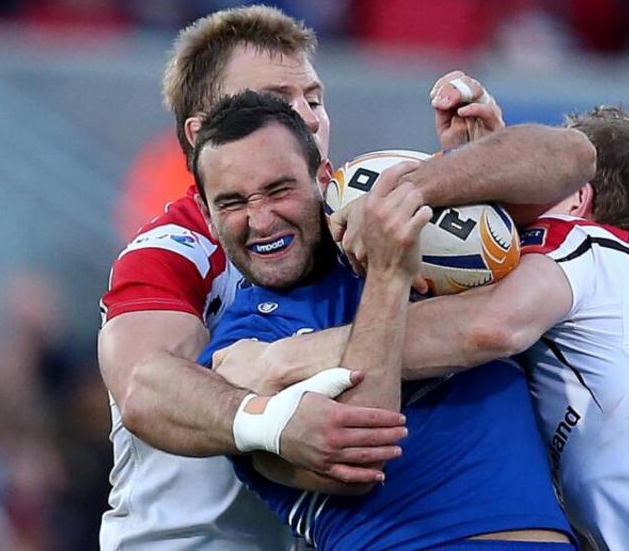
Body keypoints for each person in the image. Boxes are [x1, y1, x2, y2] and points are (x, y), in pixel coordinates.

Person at [97, 4, 593, 549]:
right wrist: (269, 419)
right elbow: (146, 386)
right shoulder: (173, 251)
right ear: (200, 133)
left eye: (313, 98)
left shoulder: (360, 213)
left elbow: (573, 158)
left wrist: (466, 170)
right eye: (274, 100)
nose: (307, 117)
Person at [217, 105, 629, 551]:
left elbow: (486, 328)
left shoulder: (585, 245)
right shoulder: (624, 316)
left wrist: (285, 361)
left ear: (576, 199)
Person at [194, 90, 577, 550]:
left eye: (280, 190)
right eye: (232, 203)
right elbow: (363, 453)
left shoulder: (420, 234)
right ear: (206, 214)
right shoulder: (238, 348)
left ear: (322, 178)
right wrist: (389, 277)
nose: (260, 220)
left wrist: (449, 172)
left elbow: (577, 156)